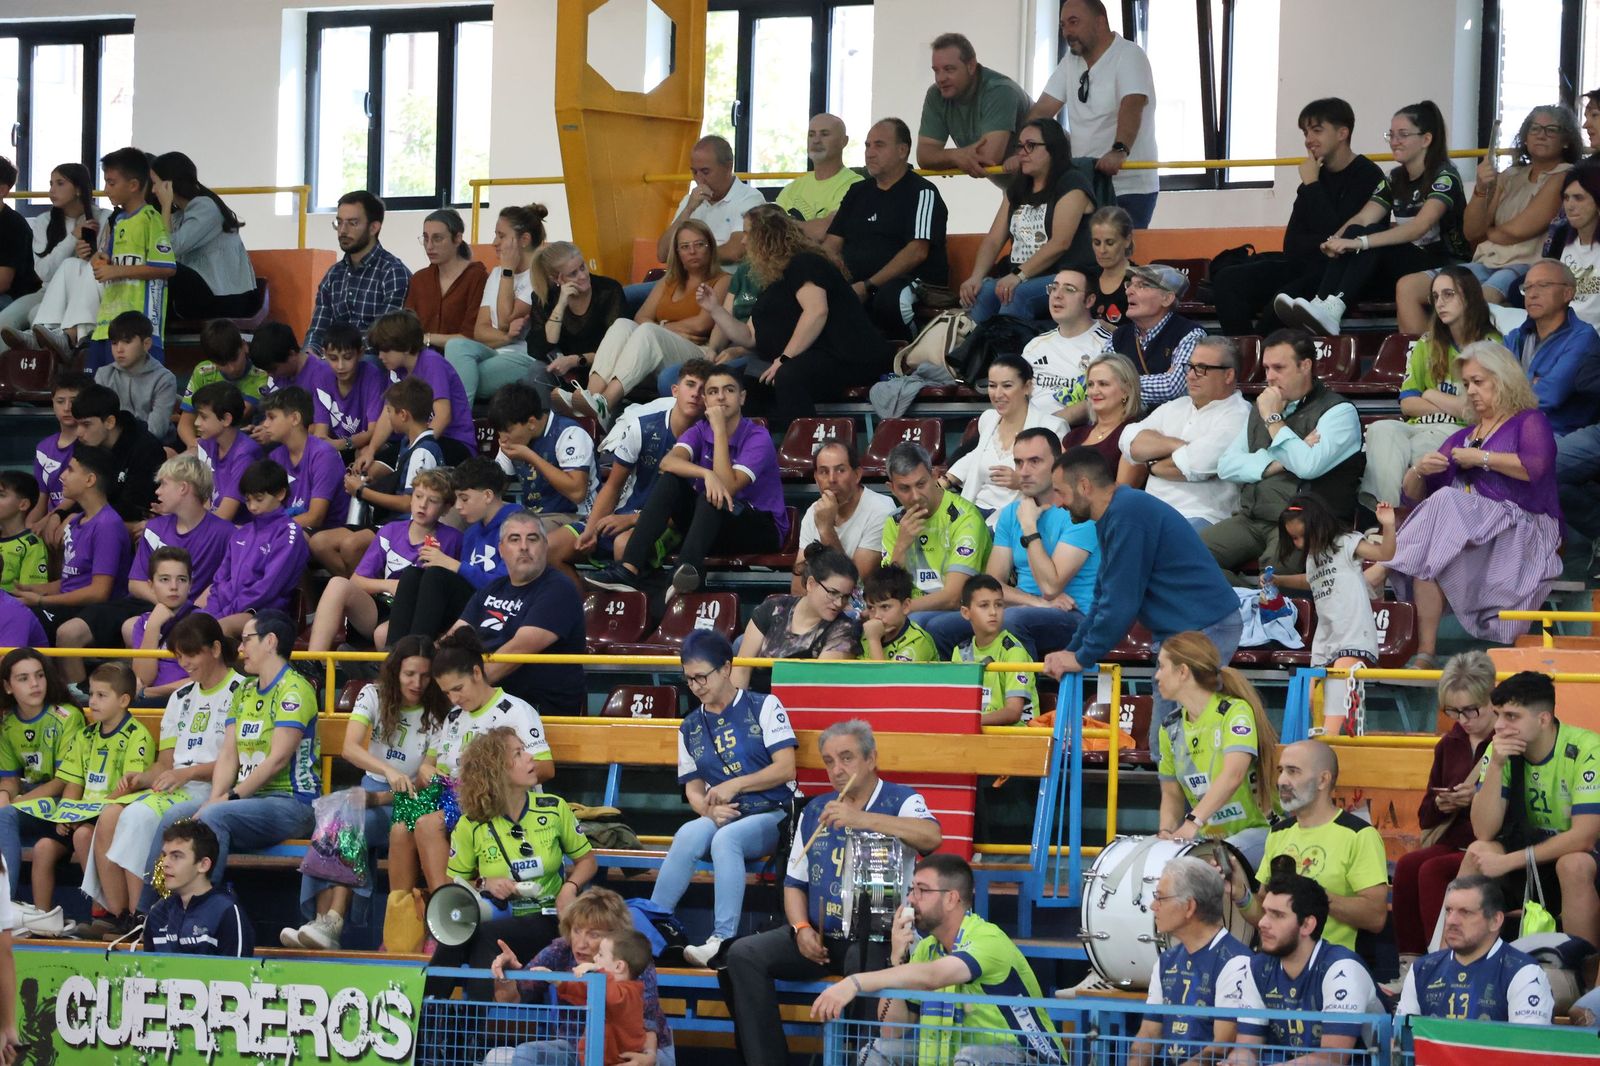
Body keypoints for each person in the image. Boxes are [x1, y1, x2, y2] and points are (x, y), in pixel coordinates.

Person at [725, 718, 941, 1065]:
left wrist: (863, 819)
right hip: (822, 935)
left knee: (862, 964)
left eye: (847, 758)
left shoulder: (902, 800)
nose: (837, 770)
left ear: (871, 759)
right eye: (829, 761)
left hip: (879, 937)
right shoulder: (815, 810)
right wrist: (801, 929)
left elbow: (932, 836)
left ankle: (856, 1060)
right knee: (743, 954)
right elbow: (795, 883)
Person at [1374, 341, 1563, 665]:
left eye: (1479, 381)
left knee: (1446, 504)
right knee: (1429, 551)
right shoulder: (1464, 435)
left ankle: (1382, 565)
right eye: (1466, 384)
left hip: (1523, 528)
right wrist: (1419, 469)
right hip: (1472, 534)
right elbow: (1415, 496)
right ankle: (1425, 652)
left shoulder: (1529, 421)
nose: (1471, 391)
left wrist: (1482, 457)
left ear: (1503, 379)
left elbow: (1536, 468)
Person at [1045, 447, 1244, 752]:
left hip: (1205, 627)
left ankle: (1207, 799)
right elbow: (1103, 596)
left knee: (1175, 747)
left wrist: (1082, 657)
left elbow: (1121, 605)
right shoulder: (1116, 513)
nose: (1058, 503)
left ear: (1084, 486)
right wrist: (1071, 651)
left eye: (1061, 492)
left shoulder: (1127, 515)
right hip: (1184, 630)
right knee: (1167, 746)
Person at [281, 636, 449, 951]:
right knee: (338, 815)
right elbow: (349, 748)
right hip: (374, 787)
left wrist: (382, 794)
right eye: (410, 674)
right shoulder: (373, 695)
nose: (417, 682)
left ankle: (330, 922)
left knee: (346, 820)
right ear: (396, 671)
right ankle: (323, 922)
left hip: (409, 803)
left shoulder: (439, 715)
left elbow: (426, 782)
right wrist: (387, 772)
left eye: (425, 675)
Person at [811, 853, 1060, 1065]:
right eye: (912, 890)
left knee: (970, 1058)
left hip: (1028, 1057)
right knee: (876, 1053)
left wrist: (854, 982)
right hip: (957, 1055)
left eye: (922, 891)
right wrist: (897, 957)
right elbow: (892, 1030)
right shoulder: (927, 949)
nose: (911, 899)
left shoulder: (988, 940)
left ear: (951, 898)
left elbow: (934, 977)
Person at [649, 631, 799, 965]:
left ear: (726, 668)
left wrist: (737, 785)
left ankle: (722, 938)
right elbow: (692, 788)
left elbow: (786, 768)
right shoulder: (689, 727)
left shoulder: (763, 705)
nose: (696, 685)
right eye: (689, 679)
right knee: (688, 833)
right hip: (726, 813)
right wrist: (706, 810)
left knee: (726, 840)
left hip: (775, 810)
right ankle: (651, 928)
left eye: (702, 676)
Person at [85, 612, 237, 936]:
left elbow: (238, 761)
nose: (184, 663)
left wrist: (188, 773)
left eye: (191, 654)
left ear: (215, 648)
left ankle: (146, 916)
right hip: (175, 786)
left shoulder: (241, 692)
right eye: (179, 656)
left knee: (137, 816)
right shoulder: (180, 698)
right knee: (111, 813)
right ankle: (121, 914)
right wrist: (141, 778)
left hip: (211, 788)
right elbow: (165, 762)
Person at [588, 365, 787, 597]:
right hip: (713, 523)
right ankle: (629, 569)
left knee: (713, 497)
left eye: (729, 390)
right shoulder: (701, 429)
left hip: (759, 527)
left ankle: (683, 571)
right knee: (673, 480)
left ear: (742, 398)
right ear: (706, 399)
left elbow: (728, 488)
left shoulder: (757, 436)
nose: (721, 396)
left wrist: (720, 430)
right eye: (713, 392)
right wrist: (706, 473)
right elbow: (667, 462)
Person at [1276, 102, 1469, 336]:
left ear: (1426, 139)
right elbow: (1364, 216)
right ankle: (1321, 302)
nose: (1395, 141)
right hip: (1407, 263)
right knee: (1358, 228)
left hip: (1444, 265)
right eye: (1392, 134)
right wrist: (1336, 240)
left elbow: (1419, 227)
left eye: (1403, 134)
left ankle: (1334, 308)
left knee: (1372, 237)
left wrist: (1359, 242)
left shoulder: (1445, 176)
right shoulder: (1394, 179)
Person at [431, 727, 595, 997]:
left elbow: (588, 860)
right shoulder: (471, 823)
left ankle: (475, 1029)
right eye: (519, 754)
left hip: (547, 916)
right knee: (455, 936)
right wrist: (485, 882)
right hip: (499, 913)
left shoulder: (553, 807)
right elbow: (455, 883)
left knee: (485, 935)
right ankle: (429, 1020)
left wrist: (570, 887)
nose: (531, 758)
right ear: (497, 771)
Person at [691, 205, 885, 429]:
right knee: (737, 382)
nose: (743, 242)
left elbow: (816, 311)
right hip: (808, 360)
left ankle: (807, 445)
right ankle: (753, 449)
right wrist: (715, 308)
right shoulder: (772, 280)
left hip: (847, 357)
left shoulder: (806, 263)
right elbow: (749, 336)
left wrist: (784, 358)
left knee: (788, 376)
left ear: (766, 237)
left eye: (747, 234)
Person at [1395, 105, 1579, 333]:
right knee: (1408, 287)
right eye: (1535, 129)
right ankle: (1422, 361)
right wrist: (1481, 187)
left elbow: (1519, 230)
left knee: (1476, 302)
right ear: (1525, 136)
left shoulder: (1566, 174)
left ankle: (1461, 364)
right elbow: (1472, 231)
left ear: (1566, 140)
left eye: (1551, 129)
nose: (1541, 134)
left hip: (1525, 265)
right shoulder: (1511, 175)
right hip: (1486, 261)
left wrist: (1489, 231)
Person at [1213, 98, 1385, 335]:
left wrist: (1312, 184)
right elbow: (1292, 243)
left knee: (1280, 304)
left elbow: (1340, 238)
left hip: (1338, 275)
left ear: (1342, 133)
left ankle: (1261, 361)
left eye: (1317, 130)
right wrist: (1313, 187)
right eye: (1306, 132)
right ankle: (1242, 356)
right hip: (1303, 265)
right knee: (1228, 279)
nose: (1308, 140)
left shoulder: (1367, 175)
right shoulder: (1314, 174)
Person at [1205, 330, 1364, 585]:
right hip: (1252, 518)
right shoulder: (1263, 407)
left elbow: (1307, 466)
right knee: (1184, 558)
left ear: (1306, 366)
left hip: (1302, 522)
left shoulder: (1338, 412)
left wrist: (1273, 419)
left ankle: (1251, 601)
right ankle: (1246, 599)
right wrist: (1277, 463)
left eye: (1279, 367)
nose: (1269, 377)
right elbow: (1226, 466)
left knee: (1273, 581)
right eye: (1266, 368)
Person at [1458, 671, 1600, 947]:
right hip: (1531, 851)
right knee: (1477, 852)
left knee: (1573, 865)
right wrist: (1497, 766)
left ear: (1543, 719)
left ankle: (1585, 974)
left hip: (1583, 855)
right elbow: (1483, 830)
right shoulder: (1499, 751)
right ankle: (1452, 965)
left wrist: (1510, 861)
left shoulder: (1586, 749)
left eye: (1511, 716)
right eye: (1497, 714)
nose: (1499, 726)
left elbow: (1584, 837)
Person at [548, 360, 710, 590]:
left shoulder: (710, 438)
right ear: (675, 390)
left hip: (670, 524)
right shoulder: (641, 426)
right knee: (551, 548)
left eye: (703, 390)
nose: (695, 394)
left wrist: (633, 520)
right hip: (622, 513)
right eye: (690, 385)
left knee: (625, 546)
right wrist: (592, 528)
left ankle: (639, 618)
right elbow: (613, 486)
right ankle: (585, 611)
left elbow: (693, 509)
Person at [15, 663, 152, 926]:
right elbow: (74, 783)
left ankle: (106, 913)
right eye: (91, 694)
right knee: (43, 848)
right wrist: (65, 814)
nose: (93, 701)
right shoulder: (85, 735)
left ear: (123, 700)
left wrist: (82, 817)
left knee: (83, 834)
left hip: (109, 816)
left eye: (102, 695)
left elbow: (128, 788)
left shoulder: (137, 736)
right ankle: (42, 920)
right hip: (80, 815)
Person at [560, 220, 729, 429]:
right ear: (677, 252)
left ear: (710, 247)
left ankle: (606, 404)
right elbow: (640, 317)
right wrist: (668, 328)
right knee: (623, 324)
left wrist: (661, 327)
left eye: (699, 244)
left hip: (699, 352)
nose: (692, 251)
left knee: (649, 330)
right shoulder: (670, 280)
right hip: (661, 346)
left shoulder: (721, 279)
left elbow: (701, 325)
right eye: (685, 247)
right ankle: (591, 398)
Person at [192, 611, 319, 887]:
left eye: (246, 640)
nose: (239, 648)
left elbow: (277, 760)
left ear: (270, 642)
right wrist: (214, 797)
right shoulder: (245, 690)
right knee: (171, 817)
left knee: (215, 817)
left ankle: (203, 910)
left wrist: (228, 800)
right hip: (248, 801)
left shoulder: (295, 690)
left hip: (291, 803)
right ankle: (146, 914)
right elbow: (228, 754)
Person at [1232, 741, 1389, 958]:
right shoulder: (1279, 833)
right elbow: (1264, 914)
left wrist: (1311, 895)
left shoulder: (1358, 834)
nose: (1281, 781)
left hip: (1335, 965)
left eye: (1293, 771)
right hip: (1280, 964)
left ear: (1323, 780)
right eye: (1281, 771)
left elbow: (1375, 917)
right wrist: (1240, 894)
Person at [1391, 651, 1497, 969]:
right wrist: (1441, 803)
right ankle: (1410, 964)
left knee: (1431, 870)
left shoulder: (1507, 741)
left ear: (1491, 696)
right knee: (1408, 865)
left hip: (1489, 843)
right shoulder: (1449, 744)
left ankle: (1443, 962)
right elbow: (1425, 816)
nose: (1463, 720)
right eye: (1454, 711)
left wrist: (1476, 799)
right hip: (1452, 839)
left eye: (1470, 710)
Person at [491, 887, 676, 1066]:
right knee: (528, 1054)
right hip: (577, 1049)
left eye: (593, 934)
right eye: (577, 930)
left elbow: (648, 1025)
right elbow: (510, 998)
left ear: (614, 938)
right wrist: (506, 975)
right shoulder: (560, 950)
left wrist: (649, 1058)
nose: (580, 943)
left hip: (638, 1049)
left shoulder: (630, 961)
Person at [1361, 267, 1498, 508]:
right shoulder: (1426, 343)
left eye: (1448, 295)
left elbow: (1478, 411)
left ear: (1469, 297)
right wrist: (1454, 405)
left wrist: (1431, 393)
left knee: (1417, 451)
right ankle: (1391, 519)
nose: (1440, 303)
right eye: (1435, 297)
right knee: (1381, 430)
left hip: (1462, 432)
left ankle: (1402, 524)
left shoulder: (1491, 345)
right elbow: (1408, 403)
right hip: (1418, 426)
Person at [1222, 857, 1382, 1059]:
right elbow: (1247, 1048)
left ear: (1307, 925)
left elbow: (1332, 1059)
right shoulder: (1257, 967)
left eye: (1277, 915)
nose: (1262, 922)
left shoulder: (1342, 968)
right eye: (1264, 912)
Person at [1030, 0, 1160, 226]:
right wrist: (1021, 147)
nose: (1067, 32)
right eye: (1062, 25)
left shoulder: (1129, 55)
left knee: (1116, 258)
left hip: (1129, 188)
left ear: (1100, 23)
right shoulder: (1071, 62)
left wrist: (1119, 150)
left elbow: (1132, 104)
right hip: (1085, 183)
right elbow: (1042, 110)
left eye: (1074, 22)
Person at [820, 118, 950, 343]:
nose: (870, 153)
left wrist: (868, 285)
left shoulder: (922, 192)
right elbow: (832, 244)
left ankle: (906, 357)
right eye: (867, 146)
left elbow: (917, 251)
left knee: (890, 299)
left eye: (879, 145)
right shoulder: (857, 191)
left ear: (902, 150)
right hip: (856, 282)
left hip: (910, 281)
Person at [1155, 631, 1278, 867]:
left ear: (1182, 672)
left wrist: (1192, 822)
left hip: (1259, 832)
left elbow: (1234, 775)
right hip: (1209, 837)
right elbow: (1171, 794)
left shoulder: (1233, 712)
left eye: (1161, 667)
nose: (1157, 676)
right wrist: (1166, 834)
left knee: (1210, 868)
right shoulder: (1170, 727)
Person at [1276, 494, 1395, 735]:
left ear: (1316, 525)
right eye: (1293, 539)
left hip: (1353, 634)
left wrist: (1389, 525)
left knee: (1336, 693)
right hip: (1326, 639)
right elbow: (1309, 581)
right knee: (1312, 697)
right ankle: (1326, 743)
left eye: (1301, 536)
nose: (1298, 544)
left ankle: (1327, 745)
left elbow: (1385, 554)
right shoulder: (1313, 558)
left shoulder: (1346, 542)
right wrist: (1278, 580)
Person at [306, 470, 460, 654]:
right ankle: (313, 661)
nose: (423, 505)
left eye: (433, 501)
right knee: (338, 584)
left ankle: (381, 674)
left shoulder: (453, 539)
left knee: (382, 635)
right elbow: (357, 580)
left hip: (417, 617)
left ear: (446, 508)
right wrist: (391, 585)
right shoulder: (391, 531)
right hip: (383, 606)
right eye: (418, 496)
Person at [449, 510, 585, 714]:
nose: (524, 547)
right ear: (501, 549)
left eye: (533, 539)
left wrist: (460, 688)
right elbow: (454, 638)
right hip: (487, 700)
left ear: (545, 546)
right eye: (514, 539)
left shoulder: (559, 588)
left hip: (536, 711)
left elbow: (517, 651)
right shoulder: (492, 588)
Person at [964, 121, 1097, 326]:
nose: (1022, 153)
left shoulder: (1072, 183)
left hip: (1065, 277)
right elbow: (993, 239)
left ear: (1053, 149)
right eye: (1020, 146)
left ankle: (1006, 357)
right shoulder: (1018, 187)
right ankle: (966, 353)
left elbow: (1060, 242)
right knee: (983, 291)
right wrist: (976, 277)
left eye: (1031, 145)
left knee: (1016, 294)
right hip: (1023, 277)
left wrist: (1019, 275)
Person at [1124, 857, 1249, 1066]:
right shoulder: (1166, 960)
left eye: (1160, 898)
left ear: (1189, 906)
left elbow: (1221, 1046)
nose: (1153, 906)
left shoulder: (1236, 962)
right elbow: (1148, 1034)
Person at [986, 426, 1098, 657]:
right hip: (1030, 608)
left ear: (1057, 464)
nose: (1024, 472)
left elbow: (1050, 587)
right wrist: (1035, 602)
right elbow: (991, 587)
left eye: (1034, 461)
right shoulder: (1009, 514)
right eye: (1019, 463)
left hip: (1076, 615)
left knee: (1010, 620)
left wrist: (1029, 527)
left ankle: (1021, 693)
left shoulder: (1079, 514)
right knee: (935, 626)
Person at [381, 457, 519, 645]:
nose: (458, 507)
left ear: (487, 496)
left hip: (501, 607)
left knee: (437, 576)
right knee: (413, 574)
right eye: (457, 500)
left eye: (464, 499)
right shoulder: (471, 533)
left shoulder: (517, 525)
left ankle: (419, 655)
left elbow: (508, 584)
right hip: (471, 604)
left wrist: (451, 564)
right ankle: (393, 655)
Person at [1124, 335, 1253, 530]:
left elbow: (1195, 466)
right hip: (1150, 510)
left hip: (1202, 516)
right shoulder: (1176, 406)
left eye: (1202, 369)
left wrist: (1150, 464)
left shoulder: (1239, 415)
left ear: (1228, 375)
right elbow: (1129, 441)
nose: (1191, 375)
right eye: (1190, 367)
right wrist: (1178, 446)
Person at [878, 442, 993, 655]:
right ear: (891, 488)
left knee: (917, 625)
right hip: (913, 609)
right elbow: (886, 593)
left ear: (934, 476)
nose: (915, 496)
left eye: (921, 484)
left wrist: (902, 610)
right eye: (904, 488)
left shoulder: (964, 518)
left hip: (964, 609)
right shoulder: (894, 523)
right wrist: (902, 546)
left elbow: (953, 596)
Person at [1395, 875, 1552, 1025]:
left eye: (1465, 912)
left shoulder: (1523, 972)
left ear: (1495, 921)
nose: (1451, 921)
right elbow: (1402, 1041)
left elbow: (1526, 1047)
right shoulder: (1422, 969)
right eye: (1449, 910)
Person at [15, 446, 133, 643]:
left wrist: (42, 601)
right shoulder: (77, 520)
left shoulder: (107, 525)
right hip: (69, 607)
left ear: (90, 480)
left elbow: (99, 592)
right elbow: (73, 582)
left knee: (20, 620)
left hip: (92, 614)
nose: (62, 476)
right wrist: (34, 589)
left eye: (70, 469)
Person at [82, 146, 178, 371]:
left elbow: (166, 267)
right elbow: (111, 263)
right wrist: (102, 261)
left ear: (133, 185)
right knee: (96, 395)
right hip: (107, 325)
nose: (106, 190)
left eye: (111, 183)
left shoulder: (150, 219)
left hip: (139, 328)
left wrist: (116, 271)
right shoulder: (120, 221)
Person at [196, 459, 310, 636]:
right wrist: (213, 611)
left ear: (280, 494)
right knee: (188, 626)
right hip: (229, 609)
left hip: (268, 614)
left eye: (259, 499)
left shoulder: (289, 532)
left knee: (216, 630)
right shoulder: (241, 533)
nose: (252, 506)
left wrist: (226, 612)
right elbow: (220, 579)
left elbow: (269, 587)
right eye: (248, 500)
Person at [947, 354, 1069, 519]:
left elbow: (1060, 483)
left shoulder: (1053, 427)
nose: (997, 394)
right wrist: (946, 479)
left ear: (1027, 387)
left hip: (1017, 516)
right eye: (992, 385)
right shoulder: (988, 419)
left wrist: (1020, 483)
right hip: (974, 510)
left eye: (1007, 386)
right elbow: (977, 456)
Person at [0, 162, 105, 353]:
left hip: (86, 289)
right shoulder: (44, 221)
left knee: (36, 314)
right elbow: (43, 273)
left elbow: (102, 266)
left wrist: (86, 256)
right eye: (50, 184)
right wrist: (72, 238)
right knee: (4, 322)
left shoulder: (103, 218)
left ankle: (52, 351)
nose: (52, 190)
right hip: (47, 291)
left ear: (79, 189)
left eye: (60, 183)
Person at [443, 204, 544, 402]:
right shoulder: (496, 273)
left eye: (501, 236)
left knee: (455, 379)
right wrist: (507, 338)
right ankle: (461, 426)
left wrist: (508, 271)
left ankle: (458, 426)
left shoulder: (539, 275)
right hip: (494, 351)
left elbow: (506, 319)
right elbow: (480, 331)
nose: (494, 242)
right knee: (455, 346)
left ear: (524, 240)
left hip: (524, 357)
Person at [150, 151, 259, 321]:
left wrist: (165, 206)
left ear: (169, 184)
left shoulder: (205, 208)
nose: (153, 190)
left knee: (168, 268)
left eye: (155, 183)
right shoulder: (179, 214)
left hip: (227, 298)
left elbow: (168, 251)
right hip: (210, 296)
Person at [734, 549, 862, 693]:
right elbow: (741, 670)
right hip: (754, 703)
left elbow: (819, 686)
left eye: (845, 597)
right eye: (833, 593)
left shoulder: (845, 630)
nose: (839, 603)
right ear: (811, 584)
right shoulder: (773, 608)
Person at [1501, 258, 1600, 436]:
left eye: (1543, 285)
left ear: (1567, 293)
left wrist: (1516, 388)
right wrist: (1531, 384)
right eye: (1527, 287)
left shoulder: (1582, 337)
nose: (1532, 294)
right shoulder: (1515, 336)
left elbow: (1547, 397)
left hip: (1556, 436)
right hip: (1510, 428)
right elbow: (1492, 388)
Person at [304, 190, 409, 356]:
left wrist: (343, 356)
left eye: (352, 223)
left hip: (372, 359)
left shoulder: (392, 272)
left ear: (374, 227)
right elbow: (318, 328)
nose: (342, 231)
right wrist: (310, 354)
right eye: (339, 223)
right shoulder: (334, 274)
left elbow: (385, 335)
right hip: (335, 358)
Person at [364, 309, 477, 464]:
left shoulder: (432, 362)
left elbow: (443, 416)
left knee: (399, 470)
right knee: (371, 469)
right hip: (417, 441)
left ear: (406, 347)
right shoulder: (396, 369)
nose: (380, 357)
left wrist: (415, 451)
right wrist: (371, 451)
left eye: (386, 350)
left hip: (453, 441)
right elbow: (388, 414)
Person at [916, 34, 1030, 180]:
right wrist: (955, 156)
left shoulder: (999, 90)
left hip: (1055, 177)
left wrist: (944, 159)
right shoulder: (936, 95)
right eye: (936, 70)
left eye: (949, 69)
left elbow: (987, 159)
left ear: (970, 66)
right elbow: (924, 156)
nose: (940, 78)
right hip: (1017, 185)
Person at [527, 242, 627, 400]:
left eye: (582, 267)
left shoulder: (609, 291)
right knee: (536, 371)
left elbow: (618, 351)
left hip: (603, 371)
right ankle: (550, 423)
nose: (582, 275)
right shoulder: (546, 297)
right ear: (556, 279)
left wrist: (575, 360)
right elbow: (538, 349)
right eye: (573, 274)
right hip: (564, 374)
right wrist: (560, 305)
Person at [793, 438, 895, 590]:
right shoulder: (813, 512)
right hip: (822, 606)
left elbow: (855, 584)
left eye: (840, 470)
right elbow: (797, 588)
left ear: (857, 474)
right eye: (823, 472)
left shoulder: (880, 509)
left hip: (863, 608)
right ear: (815, 478)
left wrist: (826, 529)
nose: (832, 479)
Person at [141, 819, 253, 956]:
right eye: (164, 855)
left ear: (203, 865)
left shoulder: (226, 911)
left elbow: (238, 973)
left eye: (176, 856)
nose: (164, 863)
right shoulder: (158, 912)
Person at [652, 136, 764, 270]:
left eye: (705, 171)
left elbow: (735, 252)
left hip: (726, 284)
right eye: (694, 172)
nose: (699, 179)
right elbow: (662, 254)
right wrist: (688, 210)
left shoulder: (749, 199)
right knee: (624, 291)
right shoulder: (689, 201)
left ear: (728, 167)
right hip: (684, 281)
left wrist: (690, 255)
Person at [1021, 267, 1113, 423]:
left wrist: (1051, 423)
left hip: (1074, 433)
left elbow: (1107, 400)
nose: (1057, 295)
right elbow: (1017, 392)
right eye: (1054, 288)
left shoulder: (1107, 346)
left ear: (1089, 300)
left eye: (1069, 290)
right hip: (1026, 428)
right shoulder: (1034, 345)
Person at [1107, 264, 1204, 409]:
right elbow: (1097, 381)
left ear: (1167, 298)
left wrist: (1116, 384)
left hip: (1173, 425)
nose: (1128, 291)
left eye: (1142, 286)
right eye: (1129, 284)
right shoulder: (1119, 336)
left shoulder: (1190, 334)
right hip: (1126, 422)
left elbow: (1173, 387)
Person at [260, 386, 350, 534]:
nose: (265, 424)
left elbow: (315, 518)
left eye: (272, 417)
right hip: (287, 531)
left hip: (322, 535)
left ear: (295, 418)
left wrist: (269, 530)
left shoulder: (324, 455)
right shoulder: (274, 457)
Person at [951, 574, 1037, 726]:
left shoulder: (1014, 651)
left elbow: (1013, 712)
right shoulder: (960, 652)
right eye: (984, 605)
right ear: (966, 612)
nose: (993, 612)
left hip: (1018, 738)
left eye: (998, 605)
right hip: (978, 735)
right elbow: (959, 706)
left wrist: (970, 721)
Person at [405, 207, 489, 352]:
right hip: (420, 357)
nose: (429, 246)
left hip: (459, 357)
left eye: (437, 238)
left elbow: (471, 336)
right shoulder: (420, 279)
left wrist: (427, 338)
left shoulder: (477, 277)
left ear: (457, 239)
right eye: (425, 238)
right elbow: (406, 326)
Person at [176, 321, 270, 451]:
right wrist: (193, 444)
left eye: (234, 359)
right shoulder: (202, 371)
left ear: (244, 346)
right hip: (202, 443)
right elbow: (185, 423)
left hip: (237, 444)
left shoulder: (260, 374)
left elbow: (228, 418)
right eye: (223, 364)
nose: (231, 368)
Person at [778, 114, 863, 242]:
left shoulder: (855, 185)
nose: (816, 140)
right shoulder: (793, 186)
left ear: (844, 141)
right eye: (811, 134)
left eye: (824, 134)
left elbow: (827, 230)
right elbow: (767, 227)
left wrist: (783, 227)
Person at [94, 310, 178, 440]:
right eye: (114, 343)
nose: (119, 349)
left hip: (155, 446)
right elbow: (99, 422)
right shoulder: (103, 375)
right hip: (113, 444)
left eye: (126, 342)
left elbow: (156, 430)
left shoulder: (164, 379)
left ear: (146, 344)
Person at [1062, 352, 1144, 481]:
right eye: (1090, 384)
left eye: (1103, 384)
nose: (1094, 391)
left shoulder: (1135, 436)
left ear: (1126, 390)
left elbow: (1122, 494)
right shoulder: (1073, 436)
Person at [191, 382, 264, 523]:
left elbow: (225, 516)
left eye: (203, 417)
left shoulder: (245, 455)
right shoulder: (208, 443)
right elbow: (205, 501)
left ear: (226, 419)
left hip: (238, 529)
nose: (196, 423)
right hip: (213, 521)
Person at [28, 370, 87, 536]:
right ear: (52, 402)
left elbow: (77, 496)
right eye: (61, 401)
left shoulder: (90, 444)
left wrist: (47, 520)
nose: (67, 408)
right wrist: (29, 526)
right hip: (50, 518)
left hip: (77, 520)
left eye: (74, 401)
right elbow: (42, 498)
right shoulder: (43, 448)